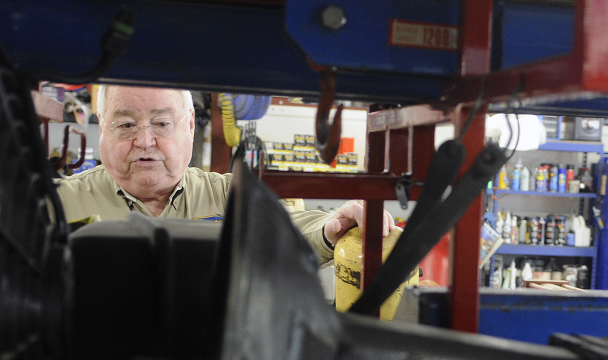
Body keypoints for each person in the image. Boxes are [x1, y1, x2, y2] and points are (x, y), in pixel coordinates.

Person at [56, 84, 394, 261]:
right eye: (126, 124)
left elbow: (287, 226)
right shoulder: (58, 202)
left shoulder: (228, 195)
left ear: (189, 126)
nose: (145, 140)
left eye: (161, 123)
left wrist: (333, 227)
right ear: (102, 130)